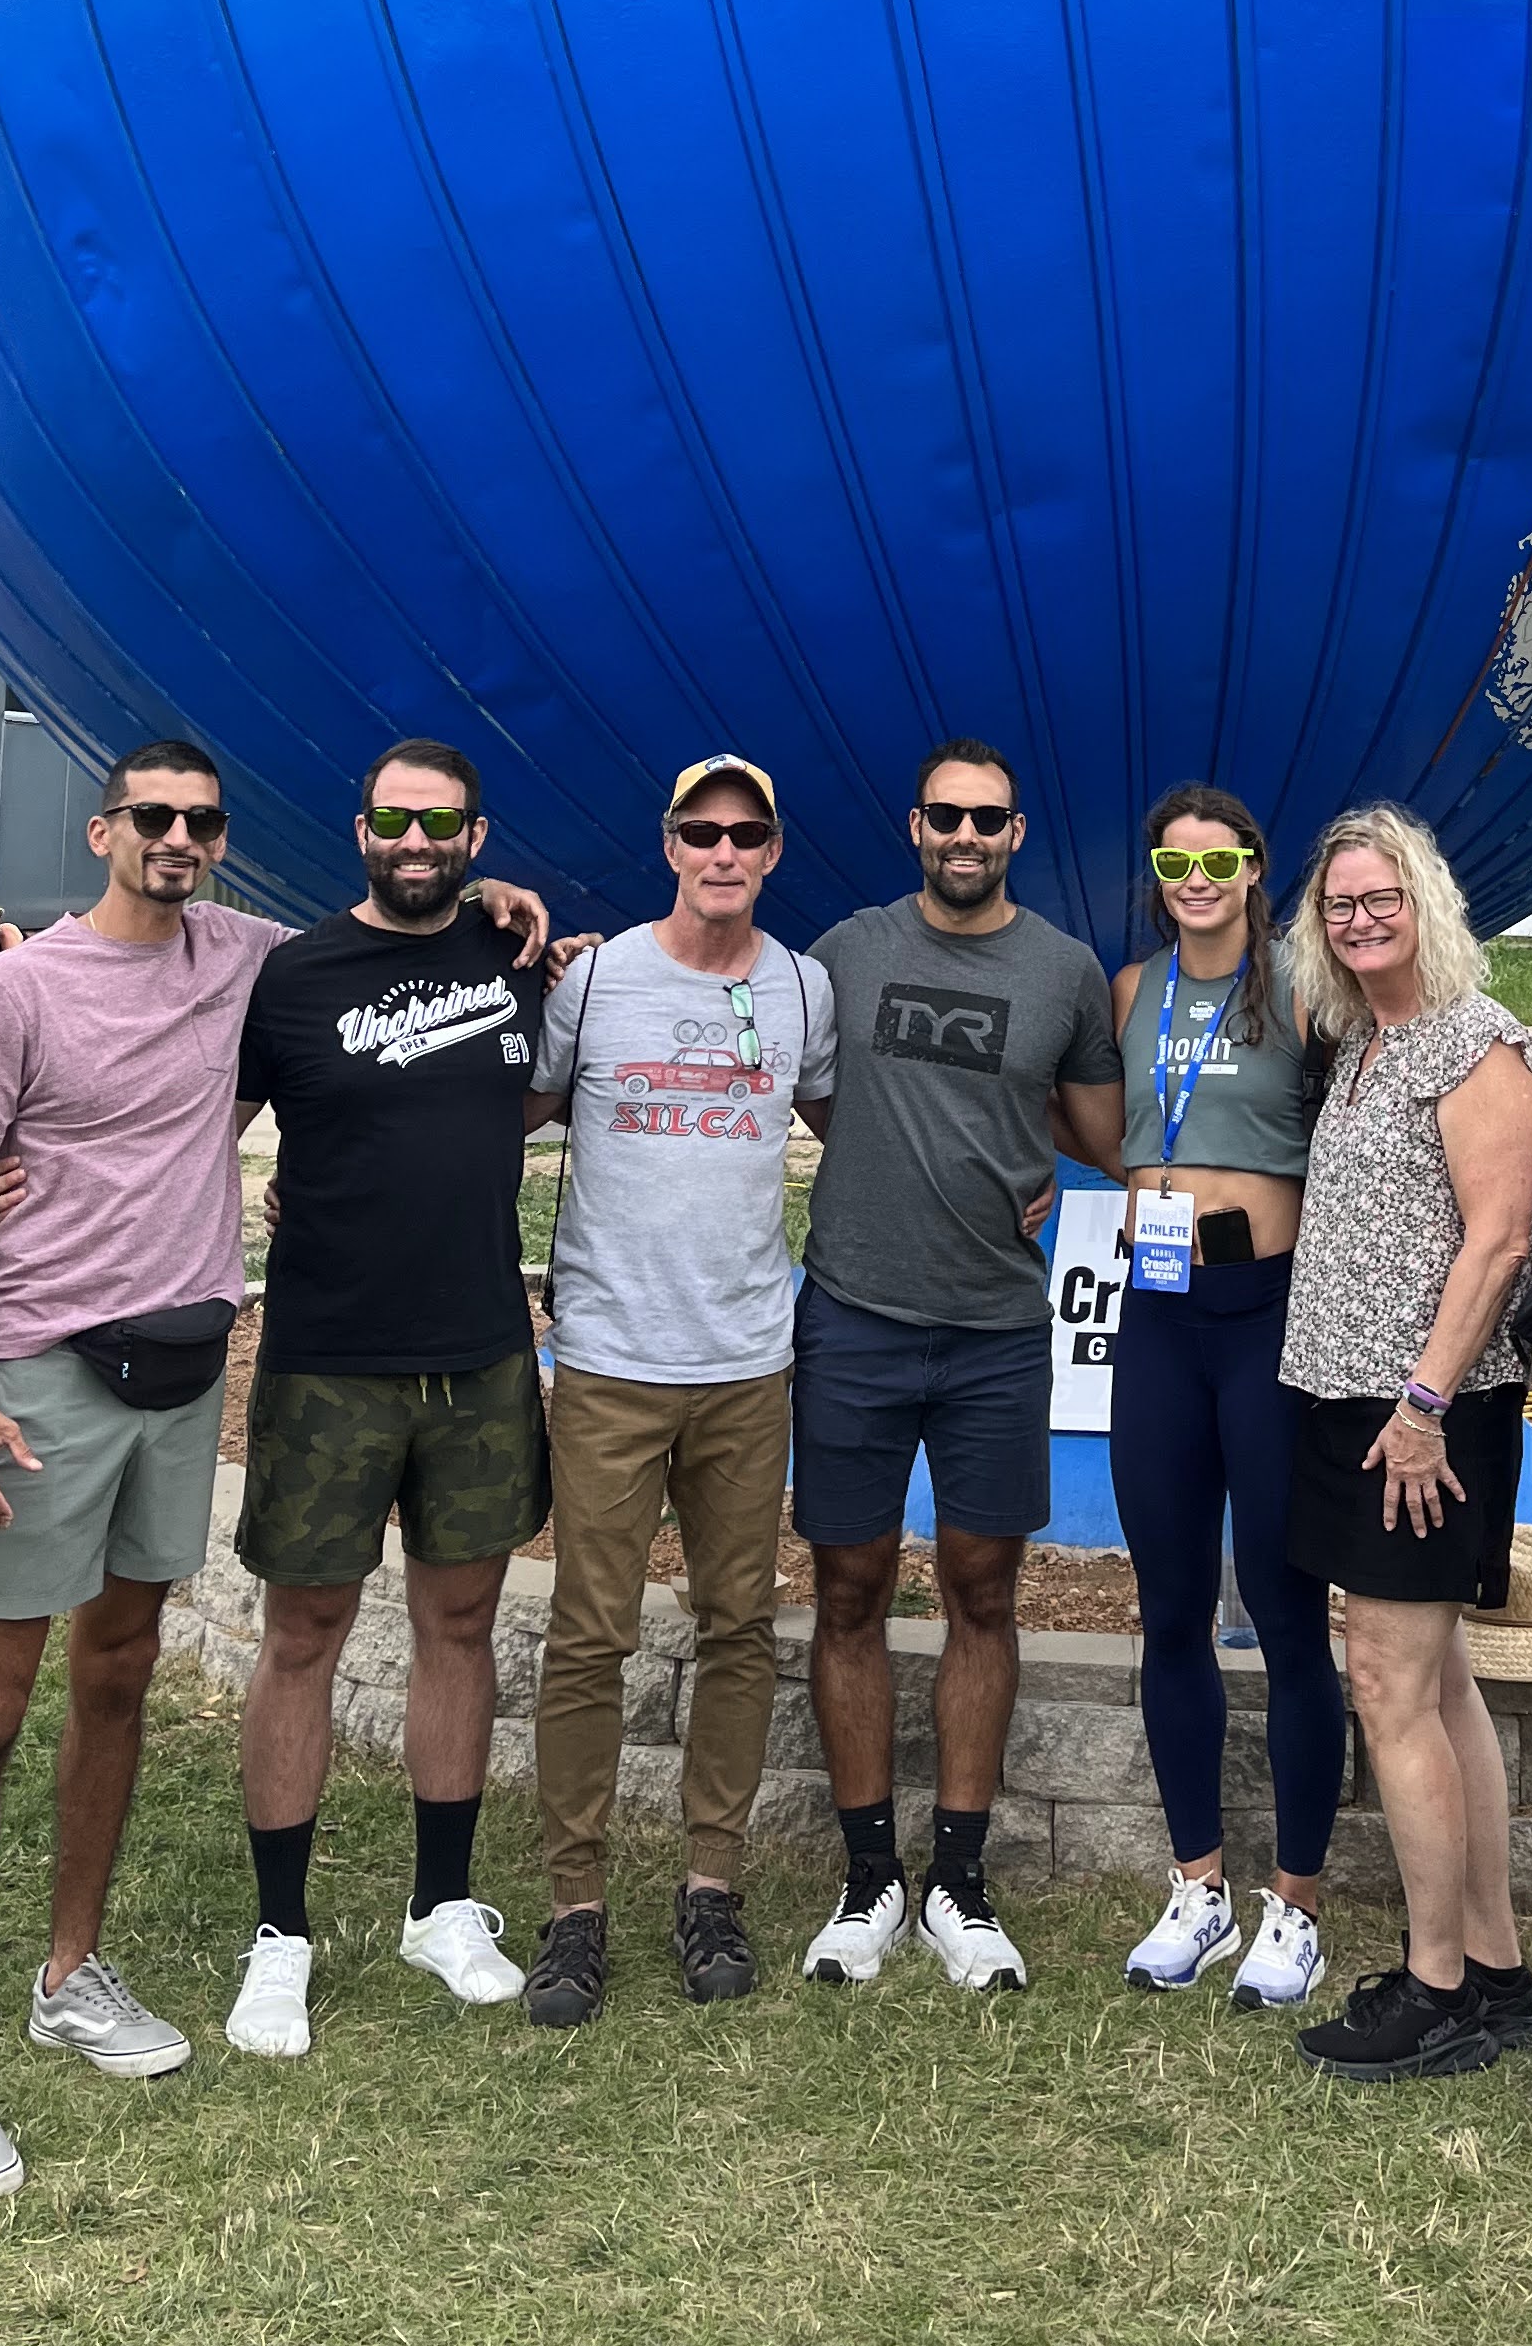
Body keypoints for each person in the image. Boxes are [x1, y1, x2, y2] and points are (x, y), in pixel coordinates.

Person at [0, 736, 547, 2205]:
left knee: (118, 1672)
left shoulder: (247, 956)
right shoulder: (19, 987)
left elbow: (411, 926)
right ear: (102, 828)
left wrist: (491, 890)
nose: (179, 838)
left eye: (202, 820)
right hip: (43, 1372)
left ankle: (71, 1973)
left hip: (184, 1370)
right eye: (155, 818)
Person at [221, 743, 566, 2063]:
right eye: (392, 821)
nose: (414, 843)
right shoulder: (294, 977)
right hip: (326, 1358)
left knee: (459, 1627)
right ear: (357, 828)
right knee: (301, 1635)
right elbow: (197, 1128)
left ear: (477, 837)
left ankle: (442, 1904)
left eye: (441, 825)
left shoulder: (513, 957)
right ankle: (280, 1937)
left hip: (478, 1352)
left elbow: (535, 1089)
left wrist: (528, 919)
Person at [793, 739, 1123, 1995]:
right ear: (913, 824)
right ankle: (870, 1875)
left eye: (988, 818)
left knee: (985, 1592)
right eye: (946, 816)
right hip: (857, 1314)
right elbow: (820, 1094)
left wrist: (1023, 1153)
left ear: (1018, 832)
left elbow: (1092, 1125)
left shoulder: (1063, 971)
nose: (966, 835)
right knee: (849, 1590)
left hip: (993, 1329)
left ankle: (960, 1882)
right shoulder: (846, 952)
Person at [522, 753, 837, 2031]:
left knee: (737, 1629)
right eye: (699, 831)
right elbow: (511, 1108)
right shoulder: (595, 982)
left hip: (746, 1365)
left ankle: (713, 1884)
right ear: (669, 846)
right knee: (589, 1636)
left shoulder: (803, 986)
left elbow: (852, 1120)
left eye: (744, 833)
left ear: (771, 853)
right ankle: (574, 1908)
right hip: (605, 1360)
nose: (721, 851)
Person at [1278, 802, 1532, 2085]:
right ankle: (1492, 1969)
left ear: (1425, 901)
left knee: (1389, 1685)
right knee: (1438, 1688)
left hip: (1423, 1421)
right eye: (1340, 904)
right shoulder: (1366, 1045)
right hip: (1350, 1406)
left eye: (1382, 896)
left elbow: (1498, 1240)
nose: (1361, 918)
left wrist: (1425, 1405)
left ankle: (1433, 1985)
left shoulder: (1471, 1045)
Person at [1105, 783, 1340, 2010]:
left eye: (1221, 859)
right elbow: (1104, 1128)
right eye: (1175, 860)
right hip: (1156, 1317)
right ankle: (1197, 1885)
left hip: (1267, 1316)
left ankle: (1294, 1903)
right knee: (1169, 1605)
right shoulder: (1132, 992)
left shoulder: (1301, 990)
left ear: (1256, 868)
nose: (1196, 878)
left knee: (1286, 1605)